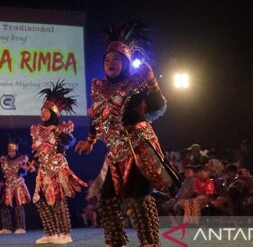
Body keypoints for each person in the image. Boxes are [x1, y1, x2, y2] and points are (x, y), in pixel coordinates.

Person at [76, 18, 180, 247]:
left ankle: (149, 242)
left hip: (138, 148)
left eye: (115, 59)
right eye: (106, 59)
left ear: (125, 62)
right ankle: (115, 242)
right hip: (115, 152)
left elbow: (157, 106)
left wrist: (152, 81)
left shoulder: (137, 83)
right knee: (106, 199)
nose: (110, 62)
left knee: (139, 195)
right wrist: (90, 140)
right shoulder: (99, 88)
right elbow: (97, 117)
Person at [29, 80, 88, 245]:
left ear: (53, 112)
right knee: (40, 199)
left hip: (56, 168)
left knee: (58, 200)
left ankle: (65, 233)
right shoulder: (37, 130)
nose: (42, 112)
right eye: (41, 109)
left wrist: (58, 132)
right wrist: (33, 162)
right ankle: (50, 233)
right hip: (43, 170)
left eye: (45, 110)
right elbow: (37, 150)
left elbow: (69, 142)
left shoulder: (62, 127)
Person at [0, 138, 30, 235]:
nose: (11, 153)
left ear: (16, 151)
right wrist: (0, 186)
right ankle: (6, 227)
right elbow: (3, 174)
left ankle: (21, 227)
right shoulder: (4, 160)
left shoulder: (21, 159)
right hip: (7, 185)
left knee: (18, 205)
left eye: (13, 151)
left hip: (18, 185)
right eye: (9, 151)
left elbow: (24, 172)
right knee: (4, 206)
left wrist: (23, 169)